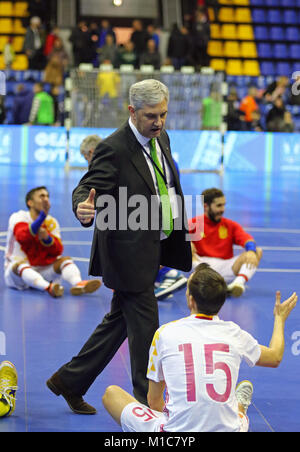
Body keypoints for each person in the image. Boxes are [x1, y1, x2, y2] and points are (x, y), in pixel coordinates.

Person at [46, 79, 192, 414]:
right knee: (146, 328)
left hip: (155, 245)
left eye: (163, 115)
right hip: (125, 252)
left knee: (119, 323)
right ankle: (148, 403)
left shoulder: (161, 137)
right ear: (132, 111)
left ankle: (69, 381)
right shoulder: (114, 148)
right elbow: (87, 187)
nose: (158, 122)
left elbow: (164, 185)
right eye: (151, 116)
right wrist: (83, 207)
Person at [102, 263, 298, 432]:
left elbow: (153, 402)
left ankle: (235, 407)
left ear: (191, 300)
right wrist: (279, 319)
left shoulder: (165, 333)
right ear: (221, 303)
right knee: (234, 418)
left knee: (111, 394)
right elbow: (275, 357)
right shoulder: (235, 334)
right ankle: (239, 408)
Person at [4, 186, 101, 298]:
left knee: (65, 260)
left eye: (47, 196)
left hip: (43, 269)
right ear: (30, 202)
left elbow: (58, 250)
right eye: (41, 196)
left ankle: (78, 284)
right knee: (19, 266)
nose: (46, 199)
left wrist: (47, 238)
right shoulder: (18, 217)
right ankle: (48, 287)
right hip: (17, 275)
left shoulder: (51, 222)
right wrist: (41, 218)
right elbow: (22, 237)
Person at [188, 188, 263, 297]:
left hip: (226, 266)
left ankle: (237, 284)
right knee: (186, 246)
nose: (222, 209)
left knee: (257, 251)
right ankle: (206, 282)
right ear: (205, 206)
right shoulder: (194, 223)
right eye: (218, 206)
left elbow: (247, 240)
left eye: (224, 205)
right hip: (201, 266)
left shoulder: (230, 225)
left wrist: (251, 250)